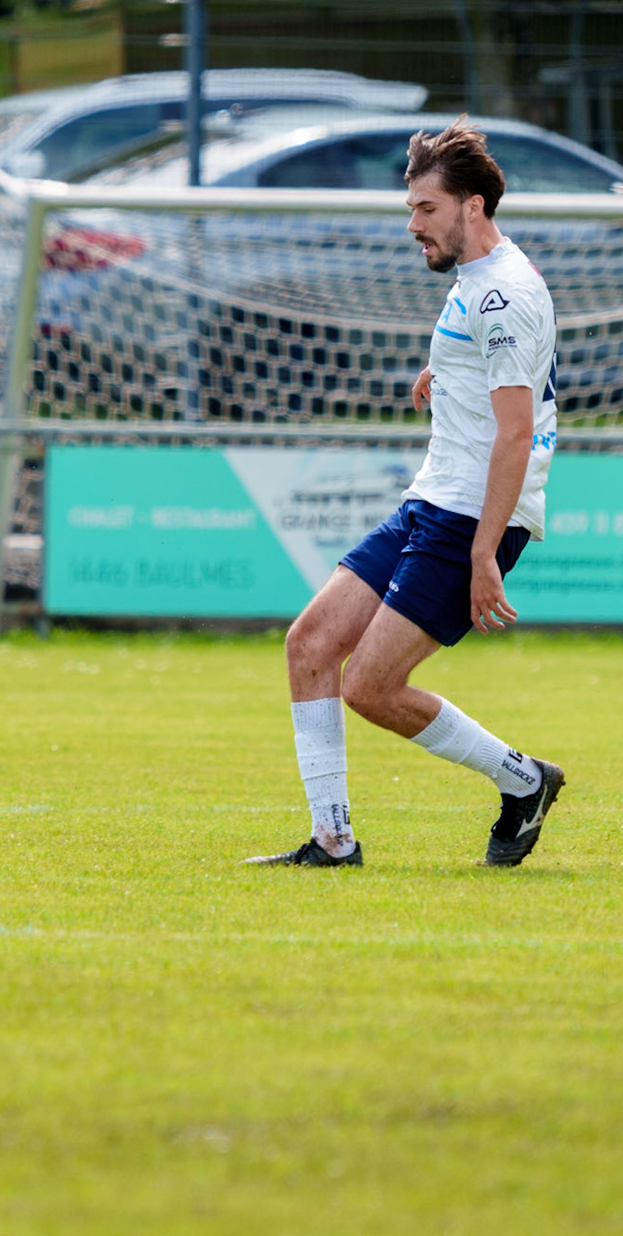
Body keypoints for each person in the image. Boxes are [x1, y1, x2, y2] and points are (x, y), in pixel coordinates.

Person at [247, 117, 566, 868]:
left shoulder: (504, 296)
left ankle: (525, 781)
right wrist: (443, 371)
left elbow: (517, 434)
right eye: (411, 210)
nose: (414, 226)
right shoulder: (479, 278)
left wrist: (487, 549)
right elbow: (496, 367)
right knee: (310, 645)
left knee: (372, 688)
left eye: (426, 210)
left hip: (471, 516)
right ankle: (332, 840)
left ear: (472, 207)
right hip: (433, 499)